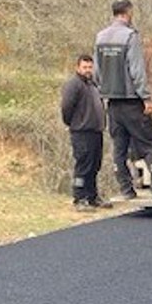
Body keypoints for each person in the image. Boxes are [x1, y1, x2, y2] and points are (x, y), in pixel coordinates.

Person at [95, 0, 152, 199]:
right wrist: (146, 97)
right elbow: (137, 70)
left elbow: (97, 71)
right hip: (132, 101)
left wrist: (104, 91)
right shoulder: (130, 37)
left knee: (119, 147)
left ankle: (125, 189)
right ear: (128, 12)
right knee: (149, 142)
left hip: (112, 103)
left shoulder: (101, 37)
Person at [60, 54, 107, 211]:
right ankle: (79, 198)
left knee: (94, 165)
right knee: (83, 165)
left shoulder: (92, 84)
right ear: (77, 67)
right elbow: (66, 107)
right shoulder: (74, 85)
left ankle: (92, 196)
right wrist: (73, 123)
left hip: (96, 131)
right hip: (81, 132)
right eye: (84, 67)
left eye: (90, 67)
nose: (88, 70)